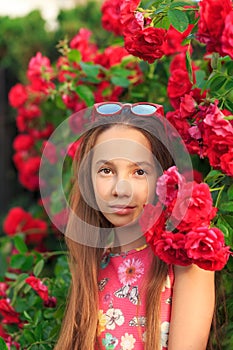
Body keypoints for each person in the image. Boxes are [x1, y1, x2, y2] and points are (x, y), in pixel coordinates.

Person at [54, 102, 215, 350]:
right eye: (106, 170)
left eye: (139, 172)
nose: (121, 190)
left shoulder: (185, 261)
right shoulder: (92, 264)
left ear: (163, 177)